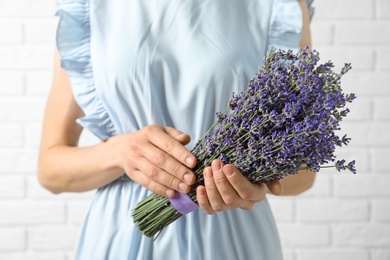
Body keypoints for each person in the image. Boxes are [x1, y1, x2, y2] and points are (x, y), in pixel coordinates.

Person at [38, 0, 315, 259]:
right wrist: (121, 153)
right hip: (122, 234)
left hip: (232, 237)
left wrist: (254, 178)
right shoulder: (88, 6)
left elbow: (304, 172)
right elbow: (50, 169)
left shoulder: (280, 4)